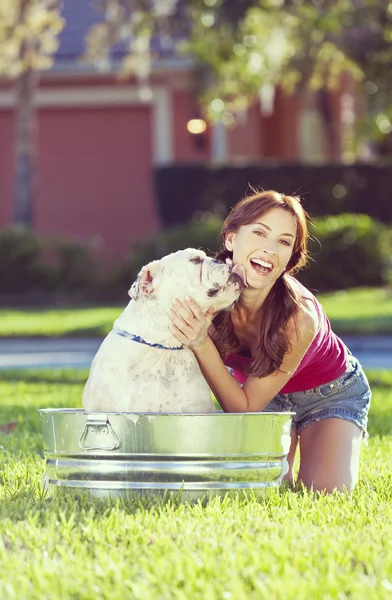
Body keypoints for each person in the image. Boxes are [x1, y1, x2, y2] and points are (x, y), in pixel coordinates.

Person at [168, 189, 371, 493]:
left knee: (325, 493)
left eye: (284, 242)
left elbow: (244, 411)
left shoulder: (299, 318)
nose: (269, 249)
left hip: (329, 394)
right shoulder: (201, 287)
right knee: (260, 489)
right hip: (263, 397)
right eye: (259, 233)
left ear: (291, 257)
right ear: (230, 239)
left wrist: (200, 343)